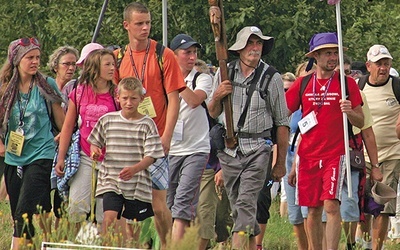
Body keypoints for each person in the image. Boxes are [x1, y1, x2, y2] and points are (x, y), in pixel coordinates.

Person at [208, 26, 289, 249]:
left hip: (259, 149)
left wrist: (280, 163)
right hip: (229, 149)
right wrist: (217, 96)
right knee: (238, 206)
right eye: (250, 43)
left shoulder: (271, 77)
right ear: (240, 49)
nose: (255, 48)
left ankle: (237, 246)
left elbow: (282, 123)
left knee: (245, 202)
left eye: (259, 43)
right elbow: (213, 112)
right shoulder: (225, 72)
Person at [114, 2, 186, 248]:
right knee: (129, 201)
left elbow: (174, 98)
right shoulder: (118, 58)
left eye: (148, 23)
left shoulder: (163, 54)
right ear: (127, 26)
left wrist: (166, 137)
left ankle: (165, 244)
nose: (145, 28)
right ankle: (136, 245)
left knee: (158, 201)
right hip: (127, 139)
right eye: (139, 24)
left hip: (155, 137)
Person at [285, 32, 364, 250]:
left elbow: (361, 119)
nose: (333, 57)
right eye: (328, 53)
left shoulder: (347, 84)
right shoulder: (302, 84)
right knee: (312, 209)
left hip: (335, 154)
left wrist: (349, 111)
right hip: (307, 155)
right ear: (316, 57)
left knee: (331, 205)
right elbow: (283, 112)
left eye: (335, 53)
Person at [0, 37, 65, 249]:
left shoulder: (48, 85)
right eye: (30, 57)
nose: (35, 61)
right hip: (13, 155)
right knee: (19, 213)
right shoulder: (4, 89)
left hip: (42, 154)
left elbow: (62, 122)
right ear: (17, 59)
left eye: (37, 57)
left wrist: (62, 140)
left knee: (24, 211)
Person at [88, 77, 164, 245]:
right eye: (125, 98)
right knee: (109, 217)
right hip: (111, 179)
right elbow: (94, 142)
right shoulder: (107, 120)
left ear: (141, 99)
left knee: (133, 230)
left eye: (133, 98)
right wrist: (95, 151)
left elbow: (151, 156)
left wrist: (135, 169)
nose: (129, 103)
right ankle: (108, 246)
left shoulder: (147, 124)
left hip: (137, 184)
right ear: (118, 97)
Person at [54, 49, 119, 235]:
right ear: (95, 67)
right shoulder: (80, 93)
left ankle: (103, 245)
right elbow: (67, 126)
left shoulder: (116, 94)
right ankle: (74, 243)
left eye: (113, 64)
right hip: (85, 155)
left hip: (111, 159)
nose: (112, 68)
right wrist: (61, 158)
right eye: (107, 64)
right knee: (76, 207)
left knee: (104, 211)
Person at [168, 34, 212, 242]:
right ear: (174, 55)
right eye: (187, 52)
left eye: (194, 52)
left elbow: (195, 100)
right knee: (167, 202)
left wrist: (176, 81)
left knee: (183, 201)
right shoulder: (162, 78)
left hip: (196, 148)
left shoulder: (201, 78)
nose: (192, 57)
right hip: (170, 148)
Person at [361, 44, 400, 250]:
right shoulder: (359, 86)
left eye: (386, 64)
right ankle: (365, 242)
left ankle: (378, 247)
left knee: (384, 204)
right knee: (364, 204)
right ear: (369, 66)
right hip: (364, 154)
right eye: (378, 64)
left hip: (392, 152)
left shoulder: (397, 86)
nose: (383, 68)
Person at [47, 45, 79, 228]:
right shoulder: (46, 87)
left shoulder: (75, 88)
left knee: (62, 196)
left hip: (67, 145)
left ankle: (59, 233)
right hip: (47, 143)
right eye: (66, 64)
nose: (71, 68)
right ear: (55, 65)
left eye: (74, 64)